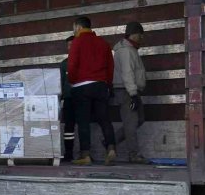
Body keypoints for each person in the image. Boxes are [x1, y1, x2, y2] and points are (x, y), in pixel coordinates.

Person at [67, 17, 116, 166]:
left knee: (83, 122)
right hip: (101, 85)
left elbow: (72, 65)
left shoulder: (77, 42)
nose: (74, 31)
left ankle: (85, 155)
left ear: (78, 27)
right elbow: (110, 66)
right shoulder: (103, 43)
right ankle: (111, 148)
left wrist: (73, 81)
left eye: (74, 27)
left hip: (82, 86)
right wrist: (108, 84)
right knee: (104, 119)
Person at [113, 22, 147, 164]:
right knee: (132, 122)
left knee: (138, 119)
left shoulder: (130, 49)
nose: (142, 37)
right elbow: (127, 73)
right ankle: (134, 154)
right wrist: (133, 94)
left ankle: (110, 142)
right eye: (140, 34)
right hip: (127, 91)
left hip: (129, 90)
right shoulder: (126, 50)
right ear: (134, 33)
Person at [59, 36, 76, 162]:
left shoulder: (85, 61)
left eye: (73, 44)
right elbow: (61, 83)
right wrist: (61, 98)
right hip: (68, 98)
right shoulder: (64, 64)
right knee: (68, 127)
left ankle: (85, 153)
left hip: (82, 98)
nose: (70, 47)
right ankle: (68, 153)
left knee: (83, 125)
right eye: (68, 45)